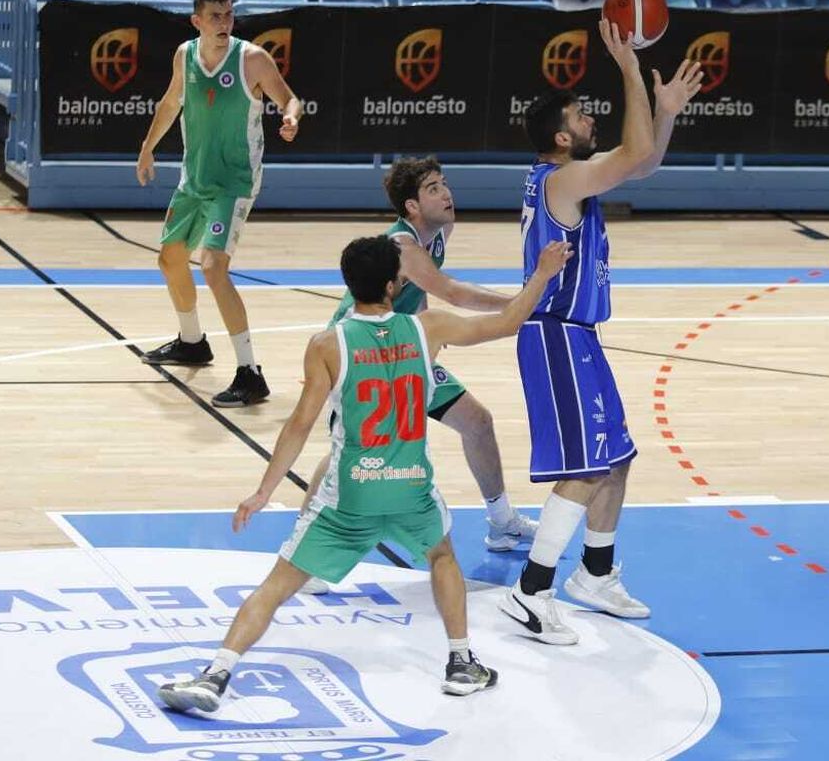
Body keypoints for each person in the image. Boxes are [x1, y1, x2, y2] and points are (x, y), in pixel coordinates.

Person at [156, 235, 574, 713]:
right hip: (410, 487)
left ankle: (216, 674)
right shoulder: (427, 328)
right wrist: (542, 273)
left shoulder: (327, 345)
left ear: (347, 283)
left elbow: (299, 425)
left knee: (276, 585)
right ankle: (461, 661)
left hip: (351, 493)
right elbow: (508, 321)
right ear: (395, 285)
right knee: (441, 556)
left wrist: (263, 491)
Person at [497, 23, 704, 646]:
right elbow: (633, 156)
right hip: (555, 334)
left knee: (616, 458)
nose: (592, 120)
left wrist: (663, 115)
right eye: (583, 116)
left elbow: (640, 162)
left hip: (579, 336)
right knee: (586, 468)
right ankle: (531, 591)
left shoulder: (570, 178)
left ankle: (595, 574)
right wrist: (630, 69)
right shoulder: (562, 179)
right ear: (563, 137)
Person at [293, 157, 539, 570]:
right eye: (433, 189)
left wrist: (430, 347)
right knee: (348, 449)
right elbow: (452, 293)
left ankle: (502, 523)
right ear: (410, 207)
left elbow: (421, 298)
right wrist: (521, 302)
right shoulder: (403, 247)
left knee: (477, 422)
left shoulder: (439, 234)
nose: (446, 193)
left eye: (444, 184)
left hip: (404, 352)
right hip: (360, 351)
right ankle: (305, 546)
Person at [135, 0, 303, 407]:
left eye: (228, 15)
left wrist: (290, 118)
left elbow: (290, 98)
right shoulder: (184, 55)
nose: (224, 23)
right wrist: (147, 147)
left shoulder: (252, 59)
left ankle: (251, 373)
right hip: (193, 179)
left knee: (213, 267)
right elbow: (171, 103)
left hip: (234, 182)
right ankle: (192, 341)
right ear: (196, 21)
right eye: (215, 16)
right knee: (170, 256)